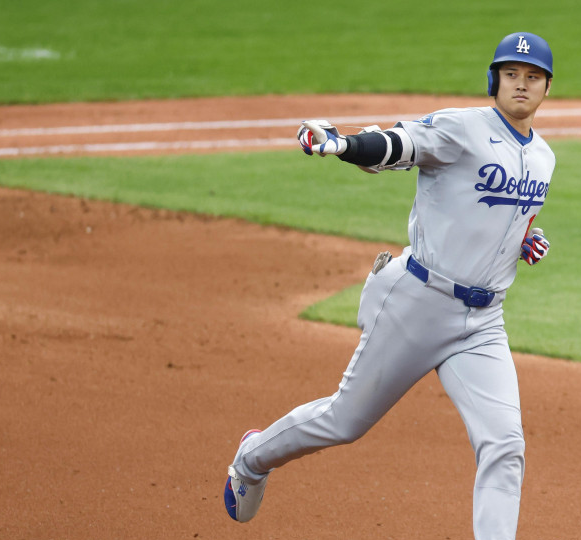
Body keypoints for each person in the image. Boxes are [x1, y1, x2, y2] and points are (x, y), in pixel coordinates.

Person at [224, 32, 556, 540]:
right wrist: (345, 144)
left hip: (484, 323)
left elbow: (502, 221)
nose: (521, 84)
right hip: (417, 303)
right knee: (344, 421)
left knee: (505, 445)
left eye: (532, 77)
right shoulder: (461, 129)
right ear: (494, 79)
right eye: (512, 74)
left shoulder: (544, 159)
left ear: (546, 89)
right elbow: (401, 143)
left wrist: (524, 243)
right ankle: (252, 458)